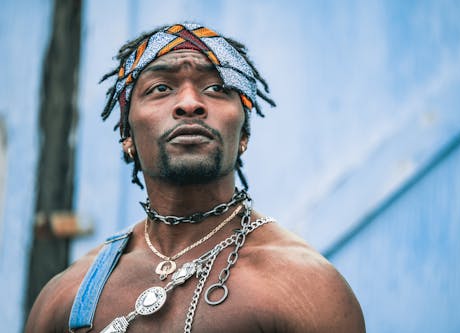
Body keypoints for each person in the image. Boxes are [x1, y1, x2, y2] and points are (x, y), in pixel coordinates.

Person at [25, 23, 365, 333]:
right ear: (127, 136)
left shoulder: (304, 288)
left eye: (217, 87)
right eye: (160, 88)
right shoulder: (68, 297)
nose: (190, 103)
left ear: (243, 134)